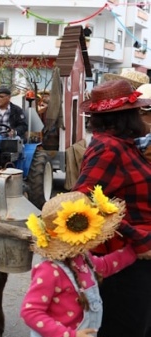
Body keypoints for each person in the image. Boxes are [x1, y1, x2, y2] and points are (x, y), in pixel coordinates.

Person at [71, 79, 151, 337]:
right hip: (127, 263)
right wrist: (139, 239)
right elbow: (82, 204)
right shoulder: (108, 147)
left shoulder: (126, 144)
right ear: (128, 116)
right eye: (138, 111)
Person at [21, 191, 137, 337]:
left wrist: (134, 251)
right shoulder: (49, 271)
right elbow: (30, 311)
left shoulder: (82, 258)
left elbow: (103, 266)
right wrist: (68, 334)